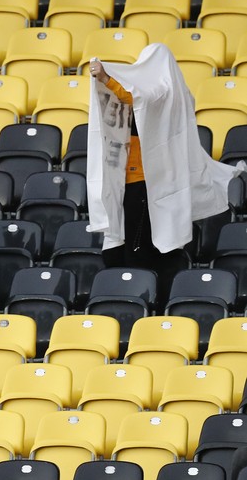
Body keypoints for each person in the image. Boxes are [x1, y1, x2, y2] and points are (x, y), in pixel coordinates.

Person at [87, 44, 246, 301]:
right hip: (131, 181)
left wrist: (106, 78)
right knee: (130, 244)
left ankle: (146, 298)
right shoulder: (174, 93)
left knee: (140, 246)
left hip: (145, 184)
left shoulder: (162, 91)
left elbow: (137, 97)